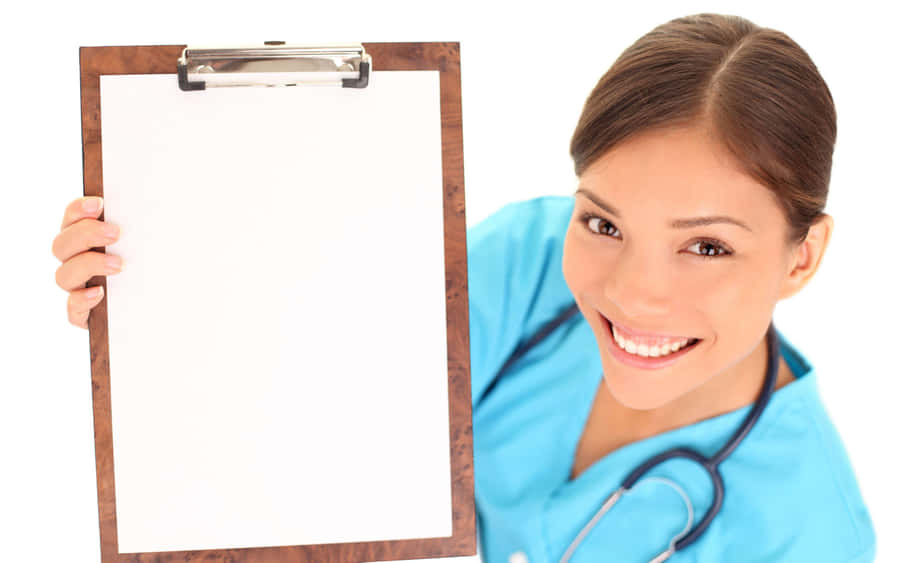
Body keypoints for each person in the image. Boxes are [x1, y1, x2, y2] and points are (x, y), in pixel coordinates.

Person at [52, 13, 875, 563]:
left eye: (705, 245)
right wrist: (151, 282)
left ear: (802, 257)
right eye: (604, 223)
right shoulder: (525, 262)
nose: (636, 295)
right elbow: (311, 367)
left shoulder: (814, 533)